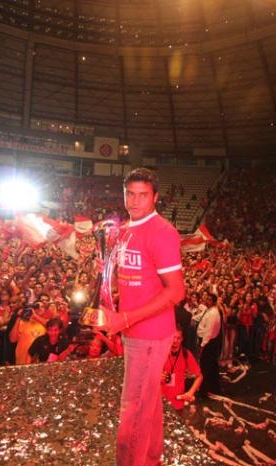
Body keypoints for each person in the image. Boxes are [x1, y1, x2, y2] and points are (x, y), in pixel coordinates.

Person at [99, 168, 185, 466]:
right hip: (134, 330)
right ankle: (151, 458)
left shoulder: (162, 233)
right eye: (130, 194)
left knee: (132, 412)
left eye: (143, 195)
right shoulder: (125, 229)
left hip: (149, 334)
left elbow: (176, 292)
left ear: (155, 197)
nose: (135, 201)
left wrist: (125, 319)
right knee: (147, 403)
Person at [161, 326, 202, 410]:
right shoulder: (161, 352)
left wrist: (190, 392)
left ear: (182, 339)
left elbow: (200, 376)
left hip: (177, 400)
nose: (175, 341)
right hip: (160, 399)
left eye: (178, 338)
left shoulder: (185, 354)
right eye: (173, 337)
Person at [196, 293, 221, 397]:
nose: (207, 301)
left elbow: (209, 332)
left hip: (209, 342)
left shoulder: (213, 313)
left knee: (205, 367)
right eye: (207, 299)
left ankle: (204, 389)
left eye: (209, 300)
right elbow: (201, 318)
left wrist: (202, 345)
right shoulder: (209, 310)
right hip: (209, 341)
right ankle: (213, 387)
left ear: (214, 302)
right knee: (211, 366)